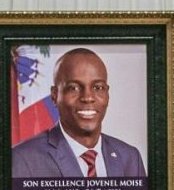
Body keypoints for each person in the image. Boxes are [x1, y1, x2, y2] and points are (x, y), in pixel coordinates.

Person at [11, 48, 146, 180]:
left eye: (98, 87)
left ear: (107, 94)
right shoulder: (23, 159)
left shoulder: (130, 158)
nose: (87, 97)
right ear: (54, 96)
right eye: (74, 88)